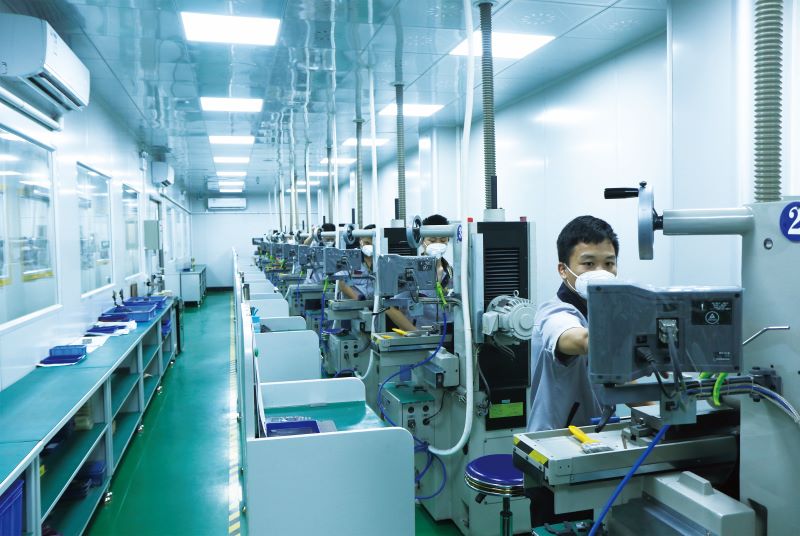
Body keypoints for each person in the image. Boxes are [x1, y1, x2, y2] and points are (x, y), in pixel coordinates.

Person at [526, 215, 619, 527]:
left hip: (595, 446)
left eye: (609, 263)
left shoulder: (606, 310)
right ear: (563, 270)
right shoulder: (555, 312)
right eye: (588, 264)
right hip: (554, 451)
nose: (600, 272)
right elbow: (576, 340)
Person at [385, 214, 454, 332]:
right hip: (420, 337)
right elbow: (390, 307)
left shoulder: (453, 273)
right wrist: (415, 333)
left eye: (443, 240)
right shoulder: (410, 272)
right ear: (422, 241)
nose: (437, 244)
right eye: (432, 240)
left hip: (449, 336)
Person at [338, 224, 376, 301]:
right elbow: (342, 284)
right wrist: (359, 300)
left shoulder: (381, 259)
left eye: (373, 244)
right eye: (367, 243)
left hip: (375, 303)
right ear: (360, 241)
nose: (370, 247)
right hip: (354, 303)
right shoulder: (350, 256)